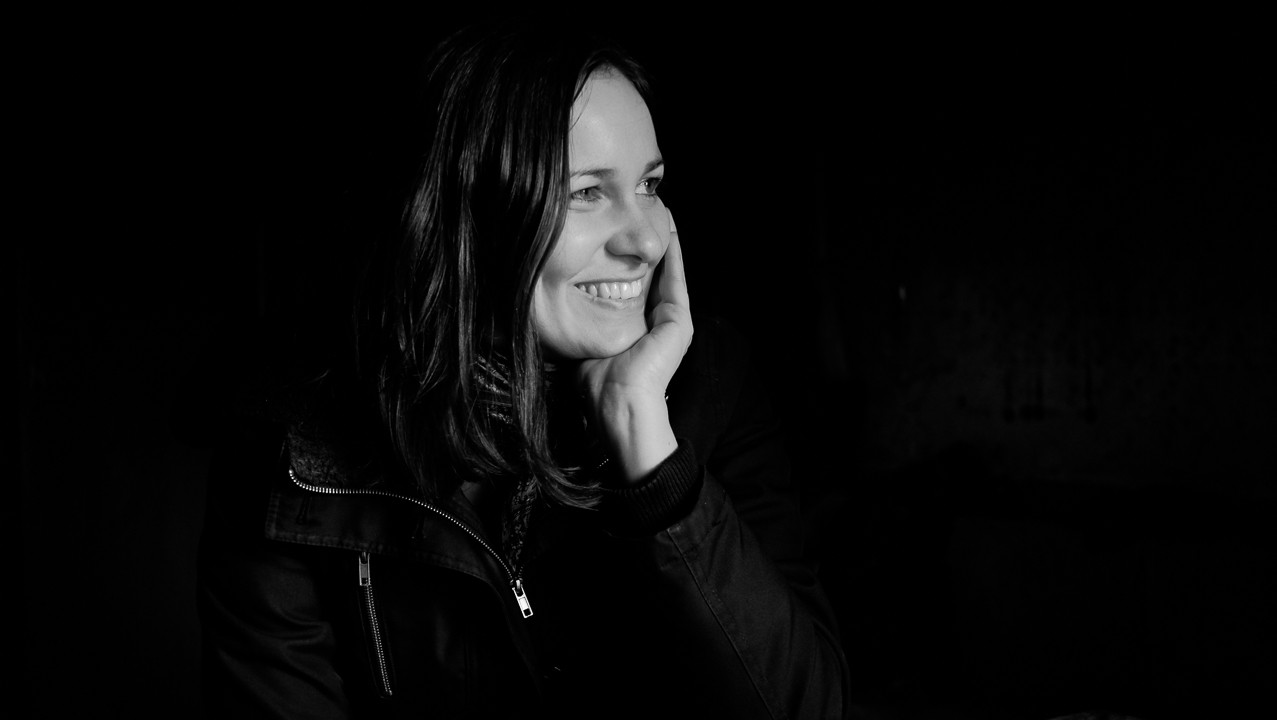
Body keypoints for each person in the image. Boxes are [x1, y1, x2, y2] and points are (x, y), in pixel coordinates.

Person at [197, 20, 849, 719]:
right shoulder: (296, 453)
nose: (647, 238)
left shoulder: (710, 384)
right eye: (586, 192)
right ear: (465, 219)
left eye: (650, 184)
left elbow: (807, 708)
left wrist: (656, 470)